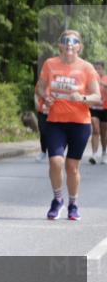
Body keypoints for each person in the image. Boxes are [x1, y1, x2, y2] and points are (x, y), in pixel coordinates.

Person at [35, 31, 101, 221]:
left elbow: (97, 96)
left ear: (79, 46)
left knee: (72, 167)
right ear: (60, 46)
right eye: (65, 41)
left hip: (79, 123)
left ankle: (73, 204)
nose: (69, 45)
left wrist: (82, 98)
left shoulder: (87, 68)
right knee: (55, 162)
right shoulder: (50, 64)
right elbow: (40, 86)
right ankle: (57, 200)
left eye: (74, 42)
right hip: (55, 121)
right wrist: (45, 96)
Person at [88, 60, 106, 164]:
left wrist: (102, 83)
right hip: (94, 108)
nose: (97, 70)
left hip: (105, 108)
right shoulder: (91, 79)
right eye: (95, 68)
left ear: (103, 69)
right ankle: (94, 155)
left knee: (104, 133)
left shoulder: (105, 78)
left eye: (99, 68)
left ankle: (104, 153)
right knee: (95, 130)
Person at [34, 90, 50, 162]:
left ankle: (54, 153)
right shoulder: (42, 80)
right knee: (43, 131)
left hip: (55, 111)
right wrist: (36, 102)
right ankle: (43, 152)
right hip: (42, 111)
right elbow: (36, 92)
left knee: (54, 132)